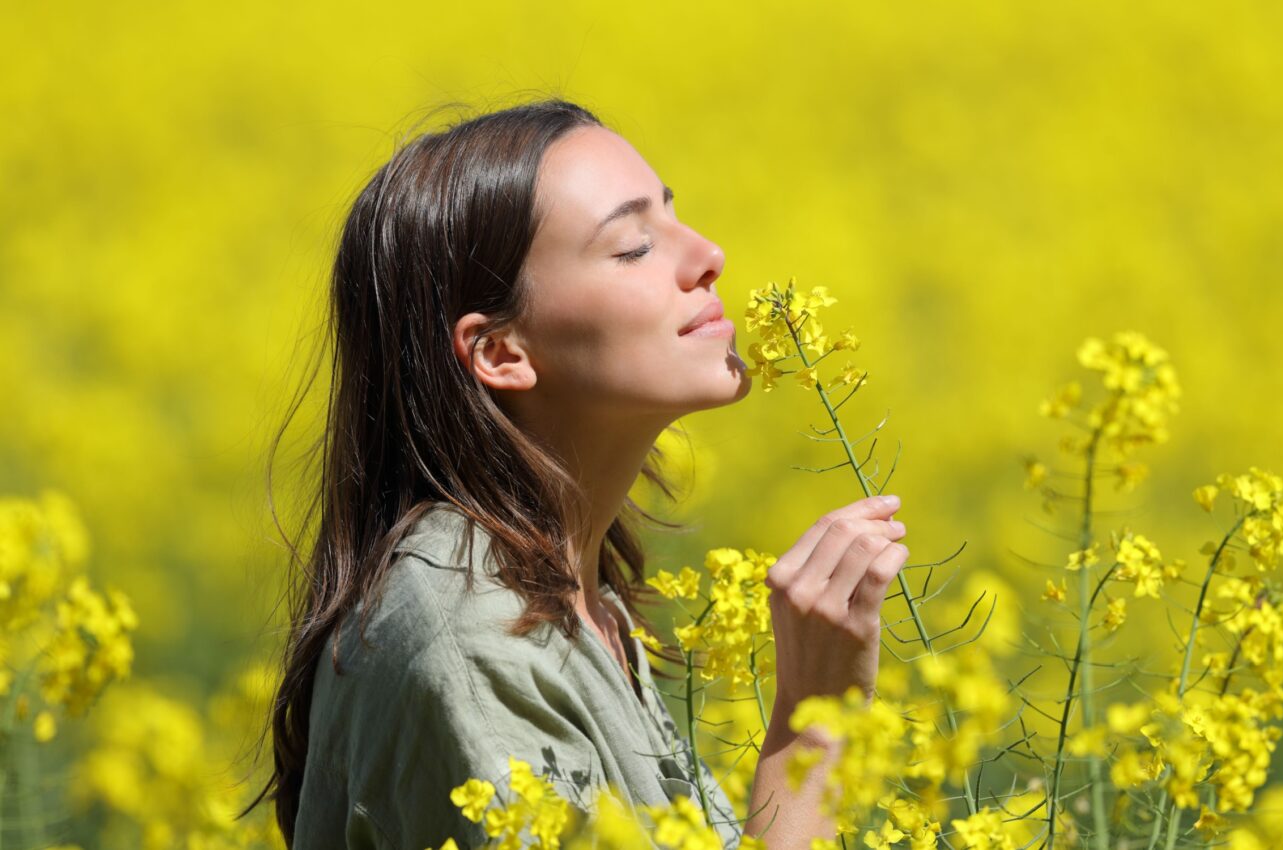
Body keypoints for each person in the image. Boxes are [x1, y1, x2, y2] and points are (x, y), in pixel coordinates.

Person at [242, 98, 910, 850]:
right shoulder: (468, 642)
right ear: (500, 353)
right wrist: (814, 727)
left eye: (673, 216)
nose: (708, 255)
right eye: (633, 247)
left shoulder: (570, 601)